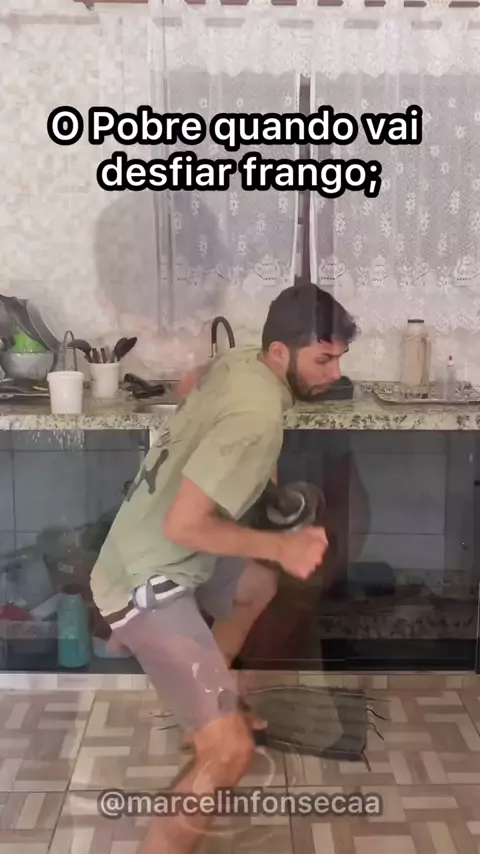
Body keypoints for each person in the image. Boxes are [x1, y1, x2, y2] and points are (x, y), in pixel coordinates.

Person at [89, 280, 358, 854]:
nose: (335, 373)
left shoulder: (244, 361)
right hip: (146, 579)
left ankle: (211, 703)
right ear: (281, 353)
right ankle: (210, 736)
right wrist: (282, 547)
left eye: (339, 358)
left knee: (255, 586)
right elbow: (184, 526)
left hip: (144, 549)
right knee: (230, 753)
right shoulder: (257, 416)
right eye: (323, 359)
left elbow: (196, 378)